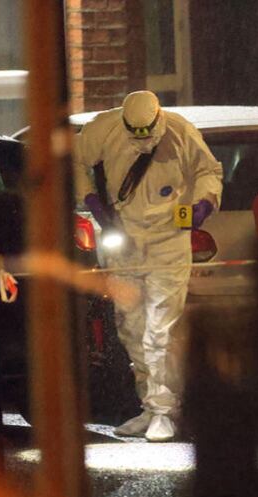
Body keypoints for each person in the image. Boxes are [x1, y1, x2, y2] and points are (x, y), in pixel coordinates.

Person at [73, 90, 222, 442]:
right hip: (125, 241)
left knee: (159, 330)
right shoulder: (104, 129)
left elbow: (209, 171)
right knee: (131, 327)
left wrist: (201, 206)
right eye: (134, 133)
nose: (141, 141)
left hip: (167, 242)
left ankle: (164, 411)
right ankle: (151, 404)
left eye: (147, 133)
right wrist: (93, 199)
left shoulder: (181, 132)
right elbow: (76, 162)